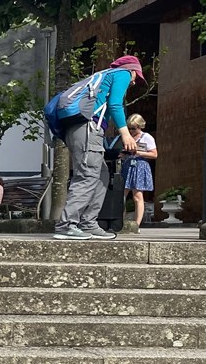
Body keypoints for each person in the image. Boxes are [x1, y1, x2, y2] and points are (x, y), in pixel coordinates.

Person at [54, 54, 143, 241]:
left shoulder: (103, 76)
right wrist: (126, 134)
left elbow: (108, 106)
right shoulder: (123, 74)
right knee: (87, 175)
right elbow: (115, 104)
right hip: (88, 128)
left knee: (101, 174)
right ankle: (66, 225)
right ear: (132, 70)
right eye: (137, 76)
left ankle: (88, 223)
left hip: (77, 129)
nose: (134, 82)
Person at [121, 113, 157, 227]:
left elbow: (154, 154)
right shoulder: (128, 137)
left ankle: (136, 224)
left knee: (137, 196)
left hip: (140, 165)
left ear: (140, 126)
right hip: (128, 165)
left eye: (133, 128)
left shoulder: (147, 137)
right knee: (121, 195)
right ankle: (120, 221)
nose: (131, 131)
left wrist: (138, 152)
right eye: (129, 128)